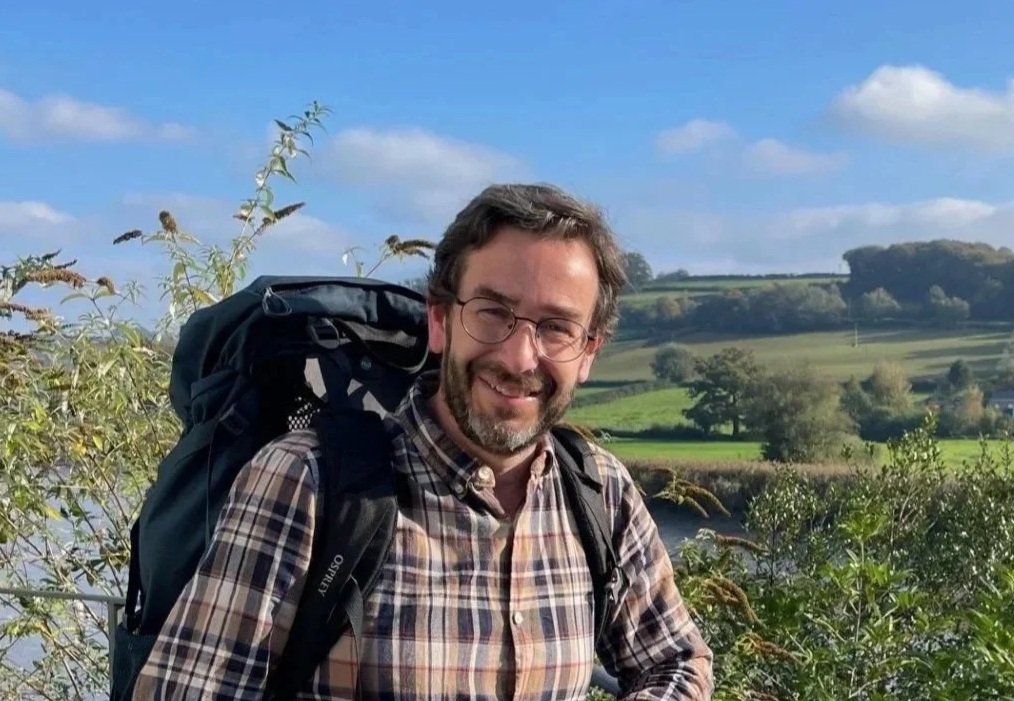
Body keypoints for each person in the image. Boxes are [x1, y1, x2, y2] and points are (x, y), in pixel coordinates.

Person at [132, 183, 715, 699]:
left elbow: (676, 663)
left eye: (556, 327)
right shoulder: (306, 483)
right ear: (440, 321)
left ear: (589, 351)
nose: (519, 357)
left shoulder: (599, 493)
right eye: (493, 313)